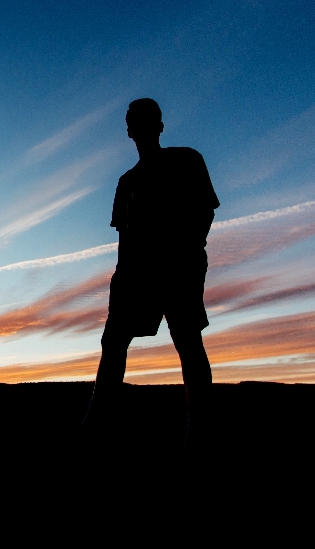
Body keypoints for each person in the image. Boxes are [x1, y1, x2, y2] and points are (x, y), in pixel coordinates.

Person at [82, 98, 219, 450]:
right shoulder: (127, 182)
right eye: (134, 123)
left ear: (159, 126)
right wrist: (120, 280)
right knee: (113, 345)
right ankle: (94, 427)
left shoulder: (187, 160)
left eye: (147, 121)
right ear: (129, 131)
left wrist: (186, 252)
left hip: (179, 269)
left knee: (188, 342)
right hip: (134, 276)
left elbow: (205, 210)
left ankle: (199, 434)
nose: (140, 129)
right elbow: (124, 239)